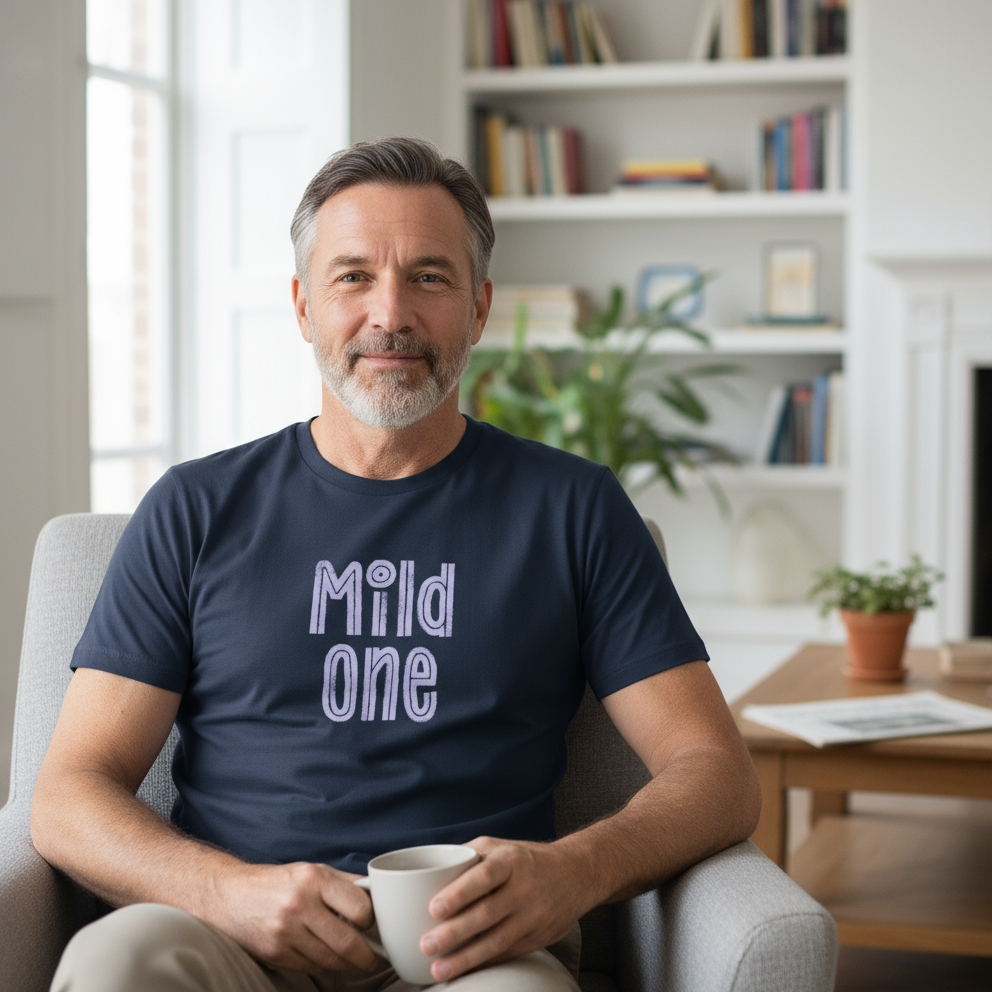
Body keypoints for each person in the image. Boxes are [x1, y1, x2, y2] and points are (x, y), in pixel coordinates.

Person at [32, 137, 761, 992]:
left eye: (429, 276)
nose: (391, 314)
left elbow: (718, 774)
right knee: (114, 962)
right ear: (304, 307)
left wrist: (576, 870)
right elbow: (68, 794)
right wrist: (226, 891)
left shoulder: (575, 509)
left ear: (479, 308)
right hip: (232, 939)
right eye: (353, 277)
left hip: (475, 957)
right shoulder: (195, 508)